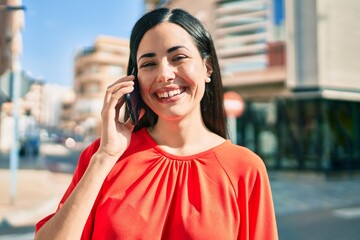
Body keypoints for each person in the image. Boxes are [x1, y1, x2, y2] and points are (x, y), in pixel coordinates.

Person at [35, 8, 278, 240]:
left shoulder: (245, 169)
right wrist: (105, 157)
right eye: (148, 64)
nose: (164, 74)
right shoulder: (102, 157)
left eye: (178, 57)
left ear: (207, 67)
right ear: (135, 79)